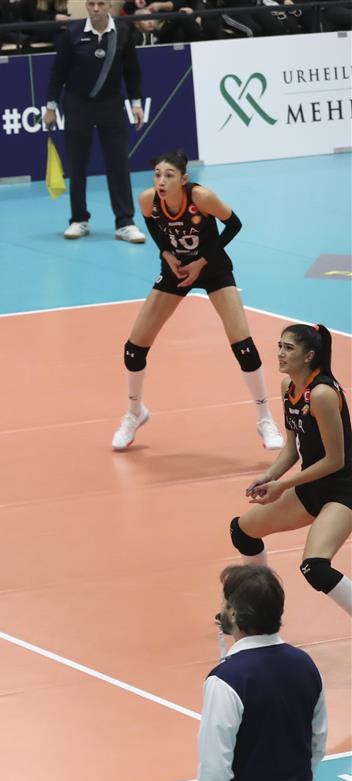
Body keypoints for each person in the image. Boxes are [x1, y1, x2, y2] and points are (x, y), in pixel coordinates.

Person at [111, 151, 283, 453]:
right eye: (157, 175)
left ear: (183, 179)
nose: (161, 181)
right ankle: (135, 412)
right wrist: (166, 253)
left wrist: (202, 261)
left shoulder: (201, 197)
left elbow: (234, 225)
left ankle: (264, 418)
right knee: (134, 347)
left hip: (212, 268)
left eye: (169, 176)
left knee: (243, 345)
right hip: (176, 271)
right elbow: (152, 224)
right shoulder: (148, 200)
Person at [187, 564, 326, 781]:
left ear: (234, 612)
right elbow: (317, 742)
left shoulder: (225, 679)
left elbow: (215, 766)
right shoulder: (306, 664)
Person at [229, 324, 352, 617]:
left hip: (343, 490)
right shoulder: (289, 388)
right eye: (280, 346)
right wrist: (270, 476)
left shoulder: (322, 394)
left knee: (315, 567)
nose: (280, 354)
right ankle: (259, 608)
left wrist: (283, 486)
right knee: (242, 531)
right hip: (313, 484)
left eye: (289, 348)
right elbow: (292, 448)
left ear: (309, 356)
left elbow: (335, 460)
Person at [43, 0, 146, 244]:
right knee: (77, 164)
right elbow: (58, 71)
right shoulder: (73, 33)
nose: (96, 8)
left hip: (111, 105)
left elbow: (132, 70)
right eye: (91, 4)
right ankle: (79, 219)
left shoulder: (123, 32)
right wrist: (51, 106)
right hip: (77, 105)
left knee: (118, 163)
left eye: (101, 4)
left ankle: (125, 222)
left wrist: (136, 103)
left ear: (109, 5)